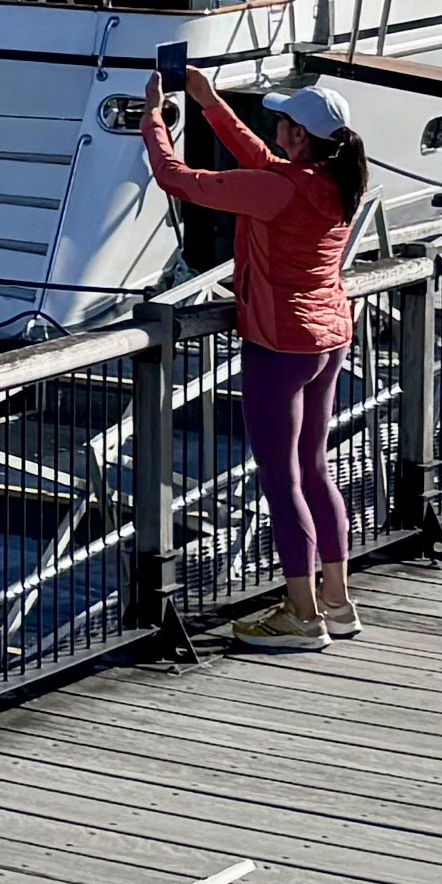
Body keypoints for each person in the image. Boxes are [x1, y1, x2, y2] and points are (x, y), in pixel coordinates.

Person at [144, 52, 372, 650]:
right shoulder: (331, 181)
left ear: (300, 136)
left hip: (280, 345)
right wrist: (206, 99)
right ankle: (337, 602)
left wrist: (153, 122)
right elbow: (262, 162)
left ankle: (300, 617)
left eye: (283, 122)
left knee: (281, 477)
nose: (275, 128)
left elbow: (180, 181)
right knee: (315, 469)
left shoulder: (280, 190)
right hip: (328, 336)